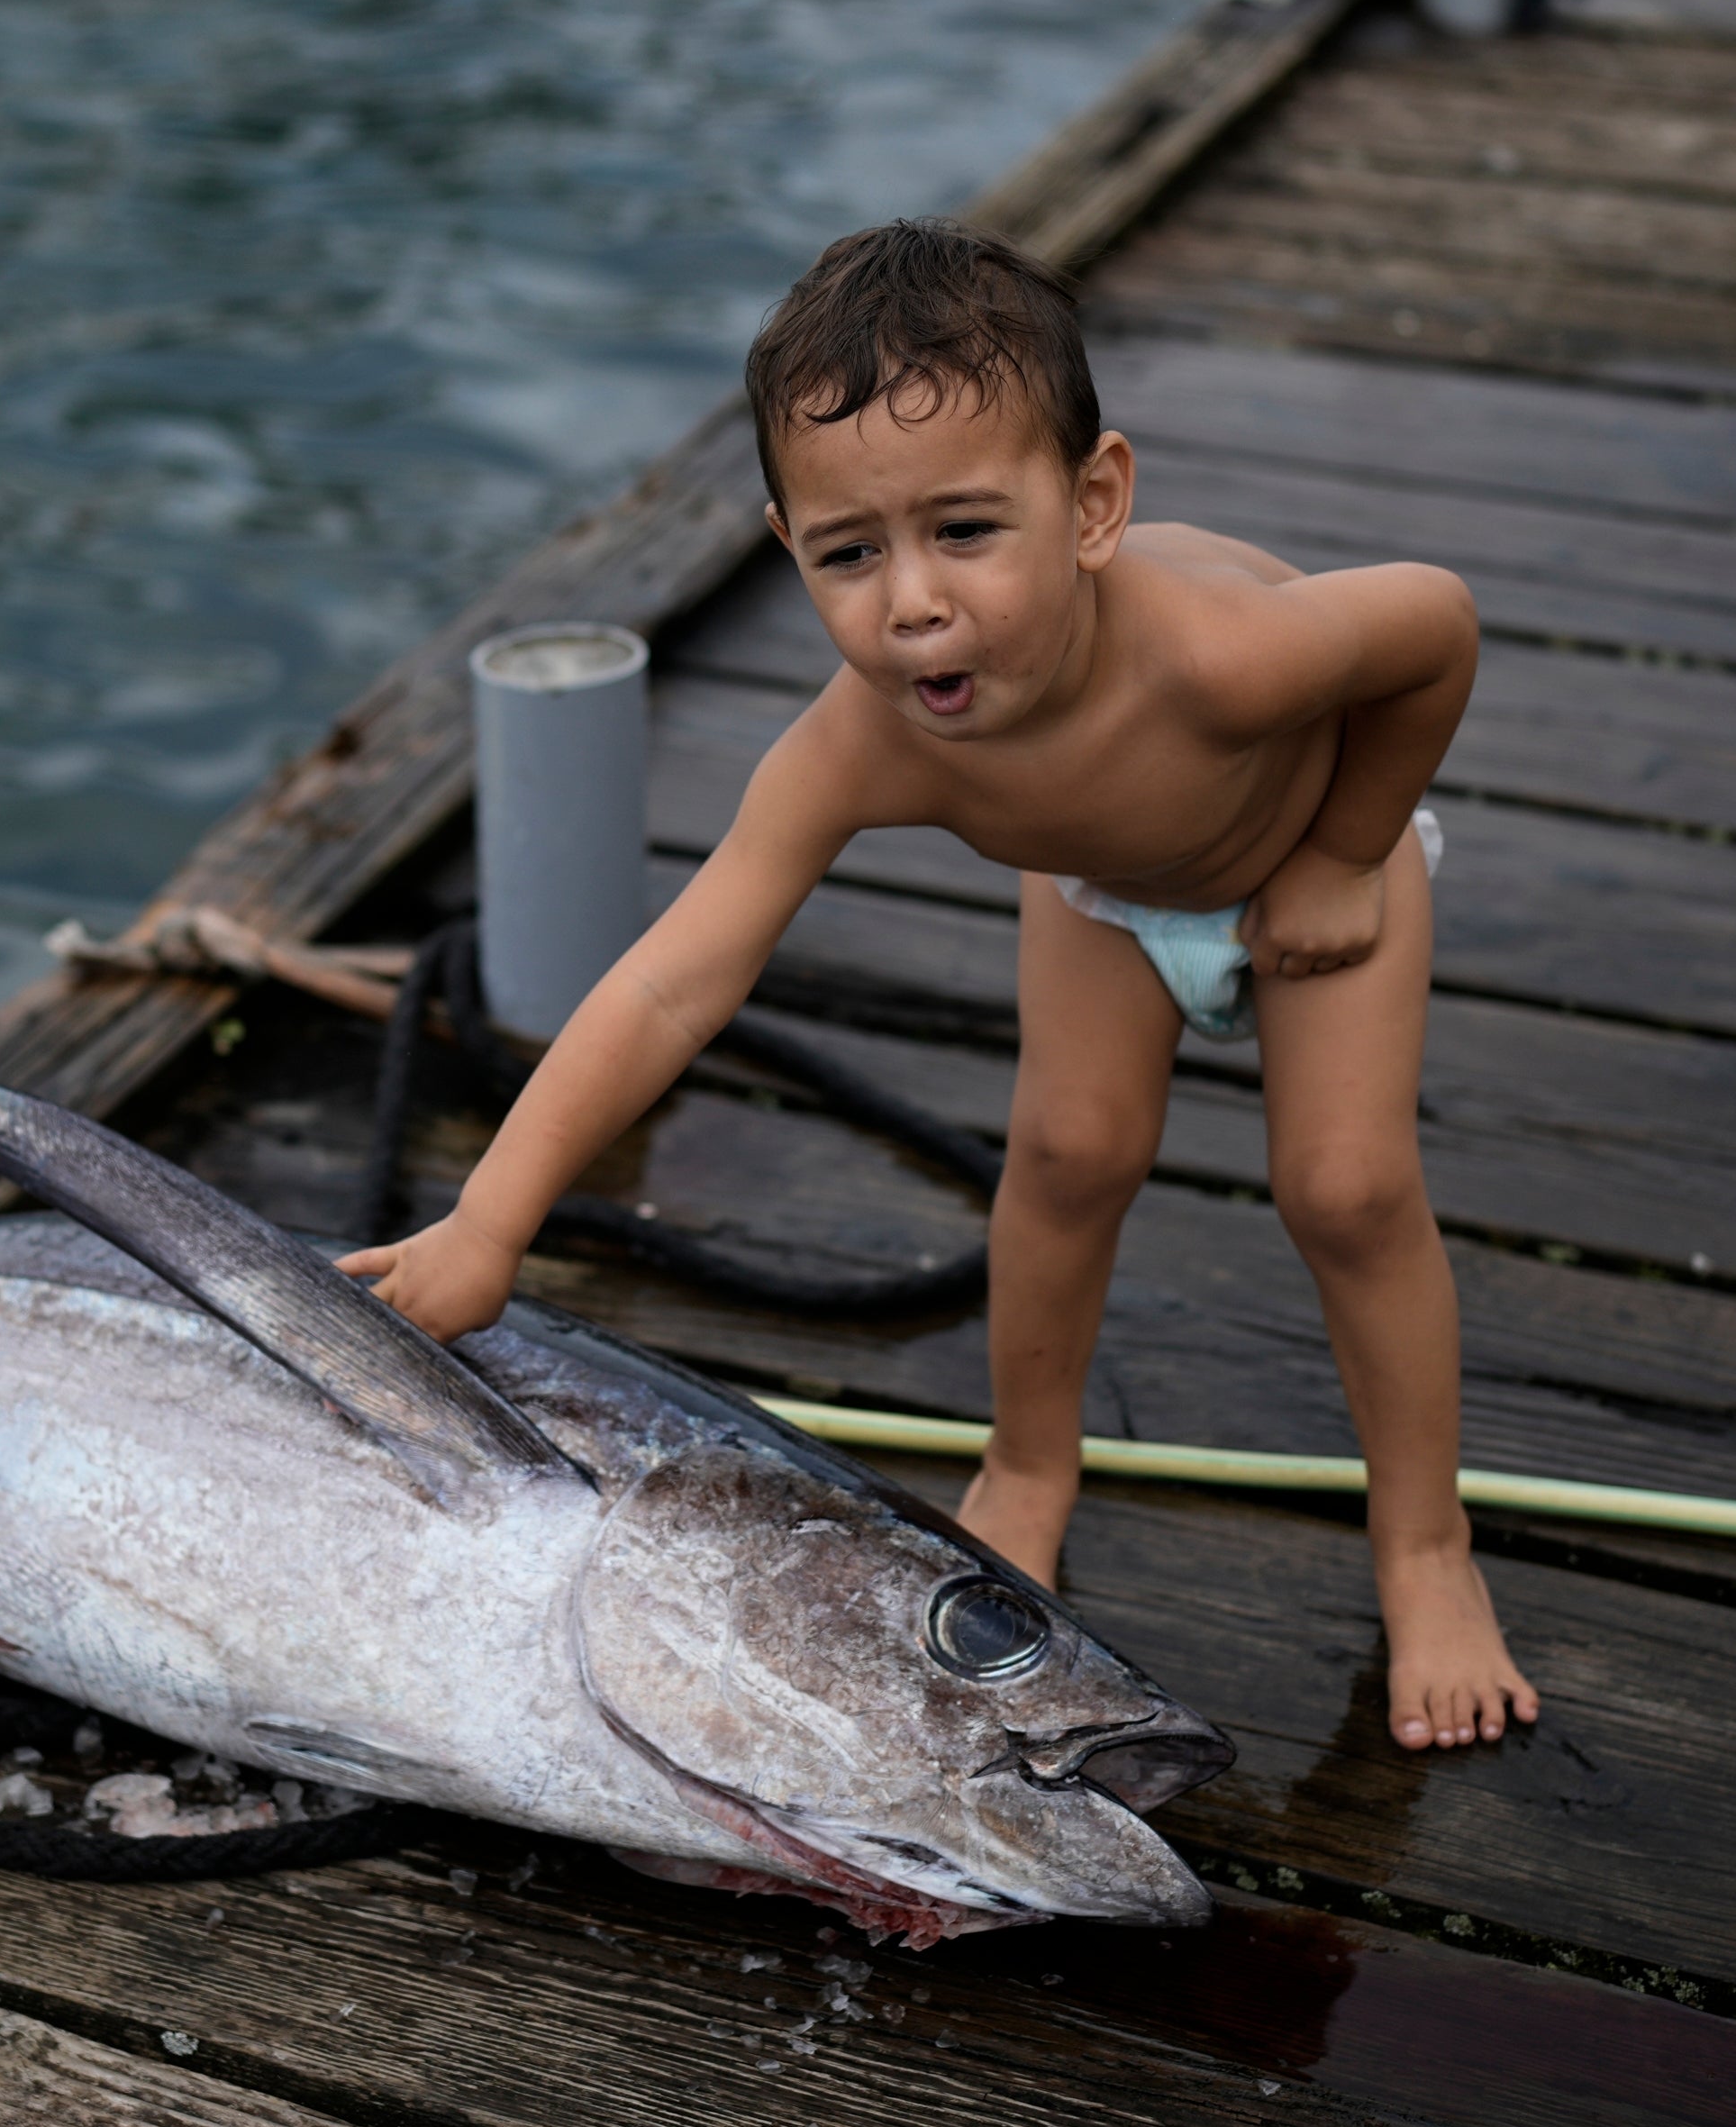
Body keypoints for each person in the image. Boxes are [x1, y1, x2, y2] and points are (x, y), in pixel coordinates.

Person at [339, 217, 1538, 1752]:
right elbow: (669, 986)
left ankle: (1426, 1550)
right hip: (1106, 890)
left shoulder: (1224, 657)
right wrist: (490, 1219)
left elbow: (1434, 627)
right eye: (852, 554)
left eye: (967, 532)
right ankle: (1030, 1462)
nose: (912, 605)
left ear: (1095, 503)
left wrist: (1346, 850)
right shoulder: (863, 740)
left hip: (1314, 853)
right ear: (792, 550)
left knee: (1348, 1190)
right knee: (1065, 1159)